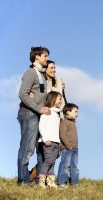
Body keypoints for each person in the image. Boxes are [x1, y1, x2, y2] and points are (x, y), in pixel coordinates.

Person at [17, 46, 51, 186]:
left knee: (40, 149)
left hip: (38, 114)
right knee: (27, 148)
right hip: (29, 114)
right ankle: (23, 181)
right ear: (36, 57)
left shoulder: (41, 75)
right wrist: (38, 107)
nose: (46, 58)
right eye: (45, 56)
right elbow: (22, 94)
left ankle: (38, 180)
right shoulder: (31, 73)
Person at [38, 91, 62, 188]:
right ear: (53, 99)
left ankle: (50, 182)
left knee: (52, 162)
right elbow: (41, 126)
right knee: (48, 161)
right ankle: (41, 181)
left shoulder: (57, 114)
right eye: (59, 99)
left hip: (56, 142)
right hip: (48, 142)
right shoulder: (47, 112)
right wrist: (45, 139)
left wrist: (58, 141)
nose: (61, 101)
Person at [57, 103, 79, 187]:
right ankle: (62, 182)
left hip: (75, 148)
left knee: (74, 166)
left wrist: (74, 147)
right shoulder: (64, 122)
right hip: (67, 148)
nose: (77, 114)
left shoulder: (73, 123)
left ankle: (75, 182)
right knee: (65, 165)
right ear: (68, 112)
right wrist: (68, 146)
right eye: (75, 112)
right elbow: (62, 135)